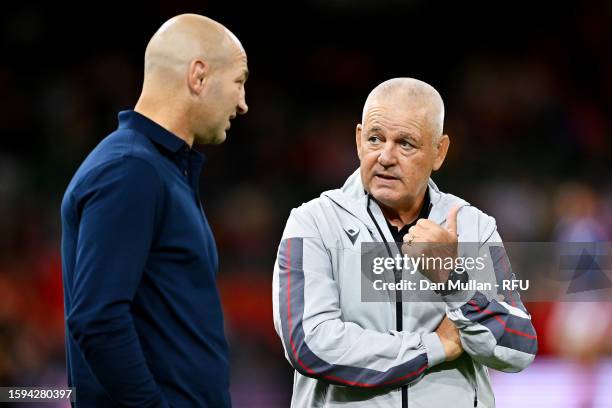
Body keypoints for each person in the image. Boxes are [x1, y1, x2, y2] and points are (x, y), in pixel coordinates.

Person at [272, 78, 537, 407]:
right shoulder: (313, 223)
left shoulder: (473, 227)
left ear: (439, 152)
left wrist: (451, 278)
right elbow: (309, 346)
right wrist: (436, 347)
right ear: (358, 140)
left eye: (406, 144)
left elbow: (518, 348)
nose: (385, 156)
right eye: (375, 139)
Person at [61, 14, 248, 407]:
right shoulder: (131, 170)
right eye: (239, 82)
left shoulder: (157, 169)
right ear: (198, 76)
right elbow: (97, 320)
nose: (243, 103)